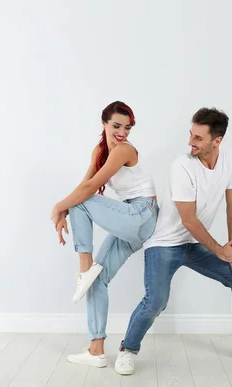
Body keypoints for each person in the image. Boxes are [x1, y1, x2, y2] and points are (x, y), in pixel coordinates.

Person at [114, 107, 232, 375]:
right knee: (156, 301)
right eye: (190, 135)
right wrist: (219, 250)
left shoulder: (231, 160)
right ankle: (127, 350)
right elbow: (188, 219)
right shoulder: (181, 166)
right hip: (165, 243)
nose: (190, 142)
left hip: (195, 244)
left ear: (218, 141)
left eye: (198, 138)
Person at [51, 101, 158, 367]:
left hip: (142, 214)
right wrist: (65, 210)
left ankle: (84, 269)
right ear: (104, 123)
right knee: (98, 281)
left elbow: (89, 188)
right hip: (130, 221)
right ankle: (96, 350)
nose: (122, 132)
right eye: (116, 126)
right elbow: (83, 185)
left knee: (80, 200)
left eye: (127, 127)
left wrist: (58, 207)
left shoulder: (123, 150)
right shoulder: (100, 150)